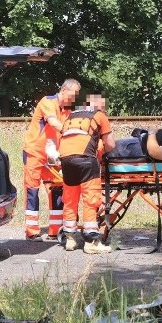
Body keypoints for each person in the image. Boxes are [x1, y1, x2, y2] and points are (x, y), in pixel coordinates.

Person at [22, 78, 80, 241]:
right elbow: (53, 122)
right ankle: (31, 231)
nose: (74, 98)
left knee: (57, 189)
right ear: (63, 90)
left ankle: (55, 230)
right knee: (32, 190)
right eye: (73, 94)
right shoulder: (47, 101)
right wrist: (72, 130)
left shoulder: (67, 110)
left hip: (53, 154)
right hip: (35, 152)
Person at [58, 94, 115, 254]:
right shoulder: (99, 116)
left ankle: (70, 238)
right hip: (86, 161)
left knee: (70, 198)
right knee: (90, 199)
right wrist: (102, 149)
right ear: (100, 107)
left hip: (66, 160)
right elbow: (110, 144)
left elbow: (61, 140)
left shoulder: (70, 117)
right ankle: (91, 243)